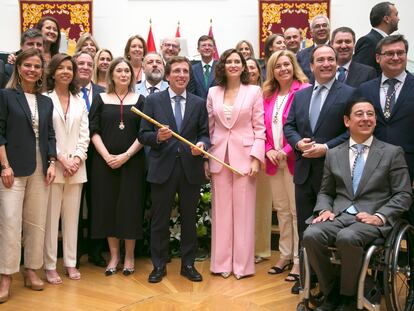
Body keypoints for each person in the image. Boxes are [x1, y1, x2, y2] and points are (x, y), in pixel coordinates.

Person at [303, 98, 412, 311]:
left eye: (370, 114)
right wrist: (324, 209)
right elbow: (326, 191)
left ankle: (349, 296)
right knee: (311, 235)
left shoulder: (392, 152)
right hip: (339, 214)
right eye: (359, 114)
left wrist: (380, 216)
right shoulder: (334, 154)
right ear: (347, 121)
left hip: (372, 218)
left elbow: (403, 194)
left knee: (348, 238)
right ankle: (332, 290)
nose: (365, 118)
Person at [284, 45, 355, 294]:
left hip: (334, 175)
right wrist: (296, 143)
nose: (326, 63)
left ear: (337, 64)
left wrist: (326, 147)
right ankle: (307, 277)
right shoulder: (301, 95)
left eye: (330, 59)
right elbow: (289, 125)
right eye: (320, 60)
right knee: (305, 229)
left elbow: (352, 132)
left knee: (330, 229)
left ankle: (332, 283)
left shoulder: (349, 94)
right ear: (311, 66)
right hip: (304, 173)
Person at [138, 56, 209, 283]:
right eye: (176, 71)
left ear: (189, 76)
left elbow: (204, 133)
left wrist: (202, 145)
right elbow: (143, 135)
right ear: (168, 76)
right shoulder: (153, 101)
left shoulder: (199, 103)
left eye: (185, 71)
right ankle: (159, 265)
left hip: (190, 169)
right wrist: (157, 137)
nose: (181, 75)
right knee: (159, 220)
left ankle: (188, 264)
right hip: (162, 169)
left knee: (189, 219)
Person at [0, 48, 56, 302]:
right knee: (10, 222)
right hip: (12, 169)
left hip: (41, 168)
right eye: (28, 65)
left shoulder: (46, 101)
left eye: (37, 66)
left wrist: (52, 162)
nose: (32, 70)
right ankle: (6, 276)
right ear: (18, 68)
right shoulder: (6, 95)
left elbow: (50, 136)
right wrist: (4, 166)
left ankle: (31, 270)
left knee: (36, 222)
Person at [206, 49, 265, 279]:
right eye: (228, 61)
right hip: (219, 157)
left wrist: (255, 158)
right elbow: (210, 129)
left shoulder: (254, 91)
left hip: (245, 158)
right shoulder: (213, 92)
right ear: (223, 66)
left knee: (244, 213)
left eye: (237, 62)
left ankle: (242, 266)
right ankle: (221, 264)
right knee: (221, 213)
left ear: (243, 67)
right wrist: (206, 158)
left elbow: (260, 127)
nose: (233, 65)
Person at [89, 57, 145, 276]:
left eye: (127, 71)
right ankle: (114, 256)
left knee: (130, 207)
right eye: (119, 71)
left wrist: (126, 156)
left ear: (132, 75)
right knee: (108, 207)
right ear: (111, 74)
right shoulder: (100, 98)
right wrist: (107, 156)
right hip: (104, 164)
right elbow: (93, 130)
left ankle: (129, 256)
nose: (123, 74)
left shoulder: (140, 99)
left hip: (132, 163)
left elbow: (144, 134)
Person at [356, 35, 414, 223]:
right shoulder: (364, 89)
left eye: (400, 53)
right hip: (371, 172)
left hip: (409, 169)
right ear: (378, 58)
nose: (395, 57)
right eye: (389, 53)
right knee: (374, 226)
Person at [263, 50, 310, 281]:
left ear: (293, 66)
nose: (283, 69)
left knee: (295, 211)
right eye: (278, 66)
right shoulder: (268, 94)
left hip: (294, 160)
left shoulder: (303, 90)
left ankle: (298, 260)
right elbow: (260, 127)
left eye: (286, 64)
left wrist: (286, 150)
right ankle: (283, 255)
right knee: (281, 210)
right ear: (272, 71)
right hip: (273, 161)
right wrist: (268, 150)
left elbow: (303, 127)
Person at [43, 53, 89, 284]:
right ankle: (50, 265)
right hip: (53, 167)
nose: (65, 72)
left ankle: (70, 262)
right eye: (61, 68)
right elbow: (44, 135)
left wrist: (77, 159)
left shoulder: (80, 101)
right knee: (51, 221)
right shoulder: (44, 98)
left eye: (69, 68)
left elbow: (85, 135)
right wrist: (61, 159)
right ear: (52, 72)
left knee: (72, 220)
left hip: (76, 169)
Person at [73, 50, 106, 268]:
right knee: (73, 206)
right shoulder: (67, 90)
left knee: (96, 204)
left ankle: (95, 250)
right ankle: (73, 252)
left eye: (88, 64)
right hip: (73, 157)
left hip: (97, 158)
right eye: (81, 63)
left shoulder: (103, 92)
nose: (85, 67)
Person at [245, 56, 271, 264]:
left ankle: (260, 249)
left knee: (261, 205)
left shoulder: (267, 93)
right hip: (240, 155)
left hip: (262, 154)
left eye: (253, 67)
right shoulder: (234, 93)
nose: (250, 70)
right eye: (247, 67)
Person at [353, 2, 399, 76]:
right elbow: (360, 74)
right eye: (396, 15)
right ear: (386, 19)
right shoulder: (368, 41)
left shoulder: (387, 41)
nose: (398, 19)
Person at [297, 15, 330, 80]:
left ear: (329, 30)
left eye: (324, 25)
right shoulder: (301, 56)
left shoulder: (337, 51)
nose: (321, 28)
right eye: (317, 26)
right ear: (311, 33)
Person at [187, 35, 217, 99]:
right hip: (198, 107)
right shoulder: (192, 69)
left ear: (214, 49)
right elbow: (190, 92)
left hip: (216, 107)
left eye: (210, 45)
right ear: (198, 50)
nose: (207, 48)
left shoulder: (221, 68)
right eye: (203, 45)